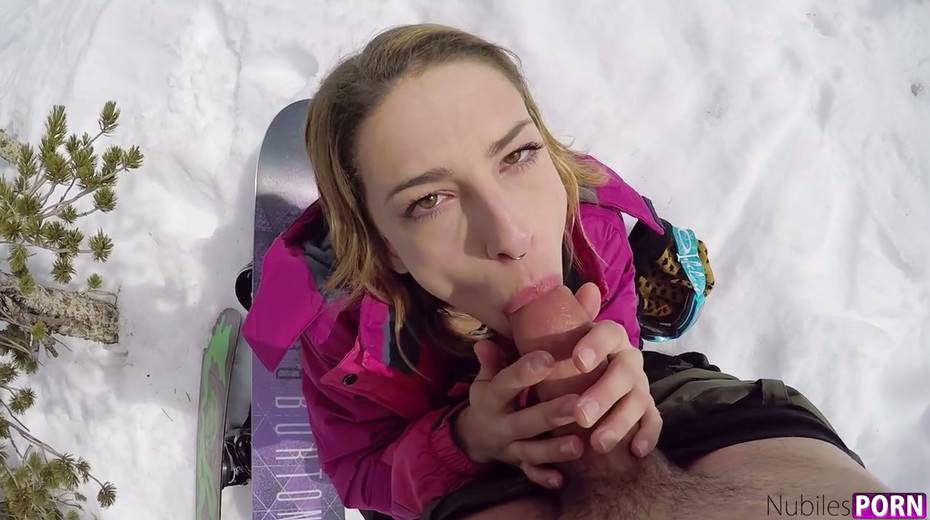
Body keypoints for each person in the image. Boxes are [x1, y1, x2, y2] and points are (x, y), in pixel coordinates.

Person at [243, 23, 889, 520]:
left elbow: (621, 332)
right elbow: (359, 471)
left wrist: (621, 370)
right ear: (382, 246)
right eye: (429, 200)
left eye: (519, 155)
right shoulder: (348, 338)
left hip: (691, 418)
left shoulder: (594, 233)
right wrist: (465, 441)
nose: (513, 235)